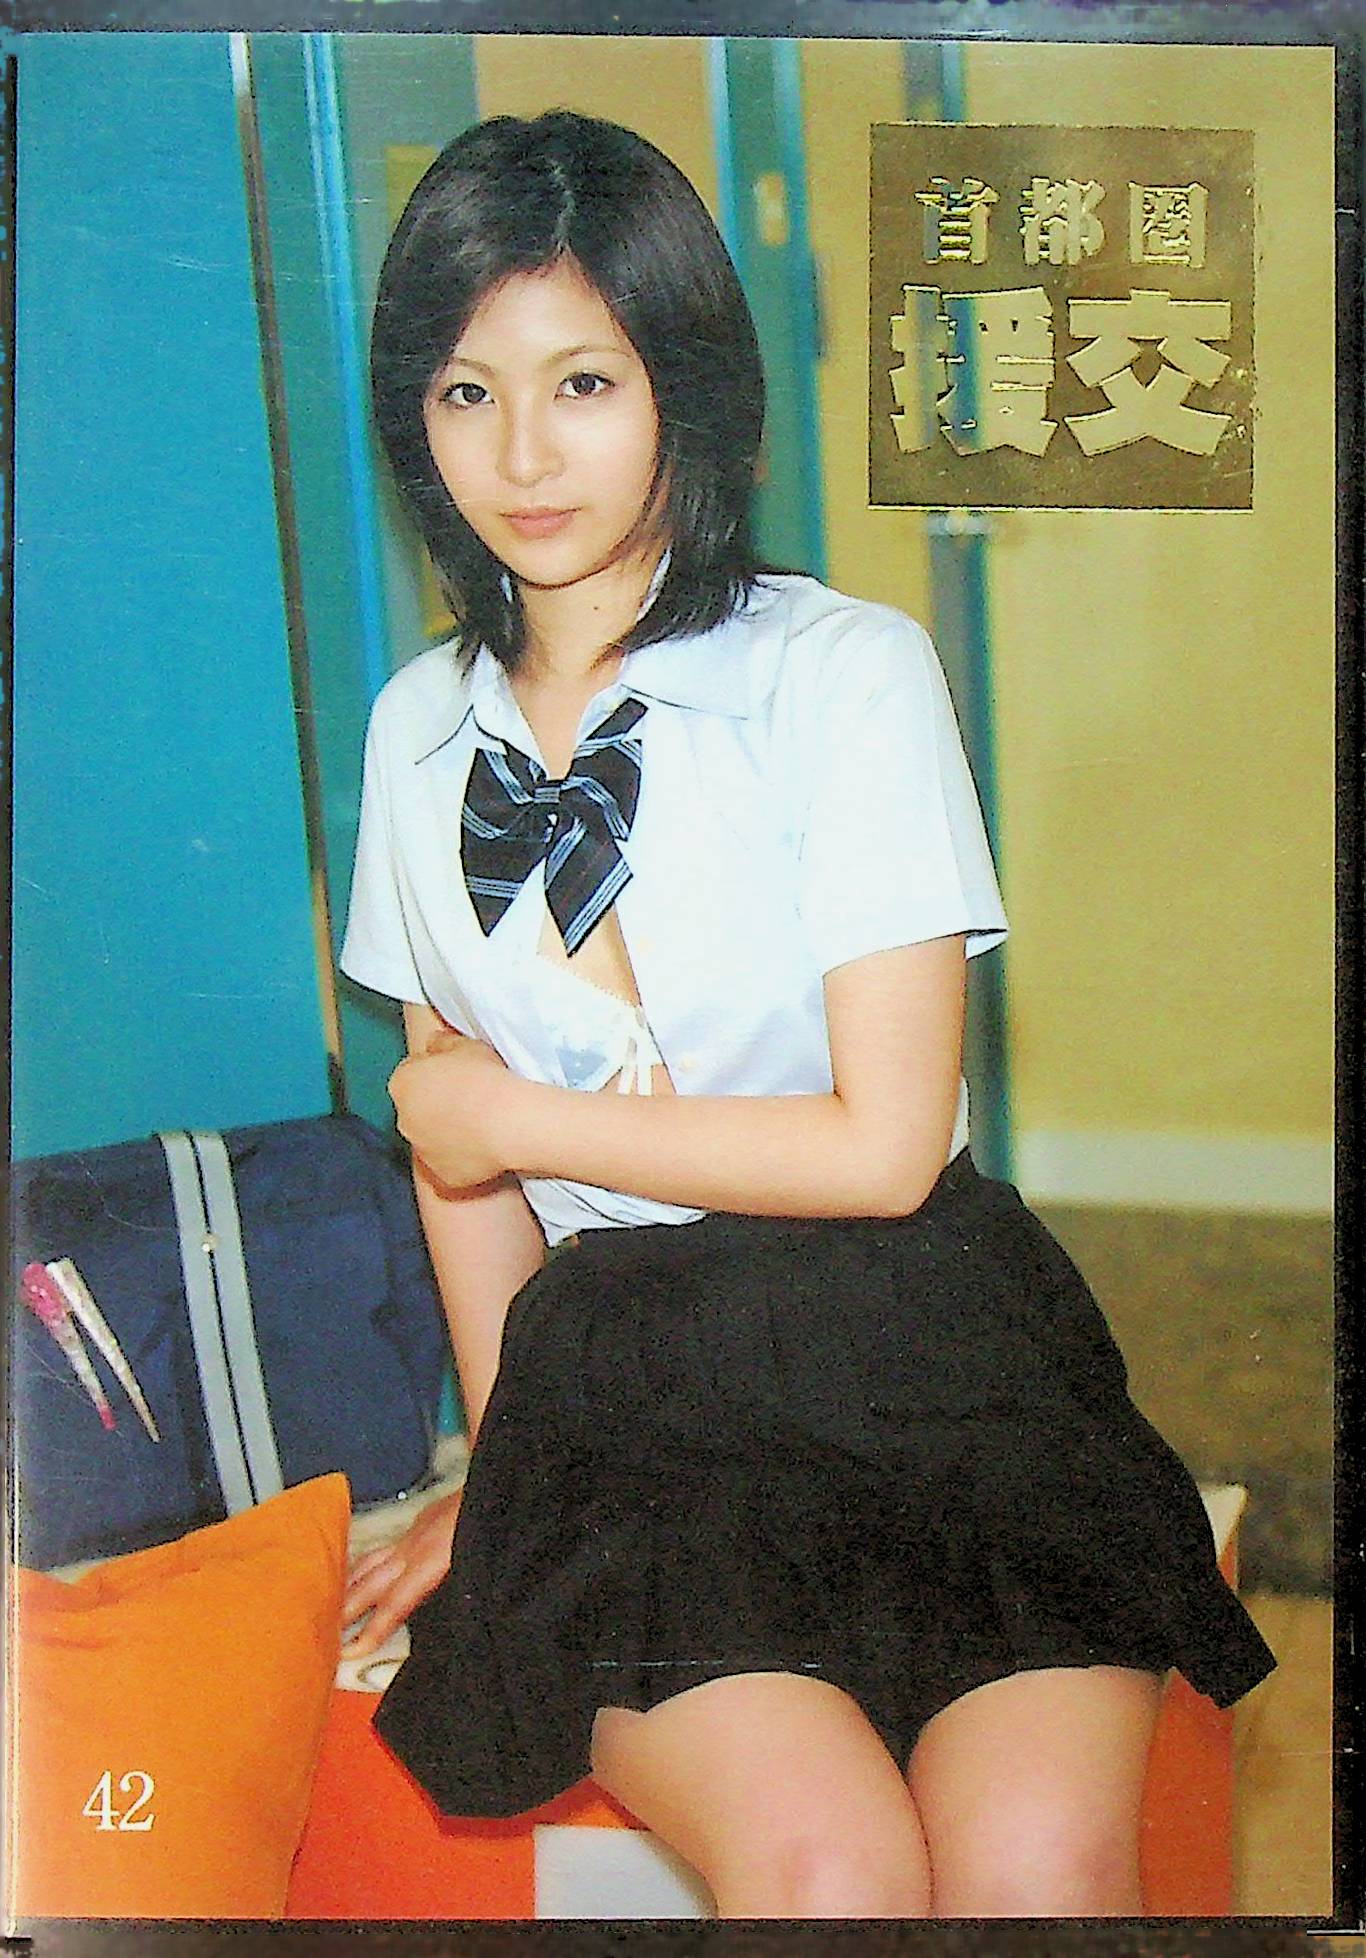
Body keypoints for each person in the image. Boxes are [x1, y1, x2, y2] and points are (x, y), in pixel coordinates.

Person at [337, 109, 1274, 1920]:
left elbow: (884, 1146)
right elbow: (463, 1187)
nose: (521, 453)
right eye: (464, 392)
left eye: (583, 382)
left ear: (682, 382)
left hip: (927, 1347)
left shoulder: (844, 673)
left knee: (1029, 1870)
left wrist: (512, 1118)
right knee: (828, 1874)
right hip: (629, 1403)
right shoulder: (414, 730)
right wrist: (509, 1479)